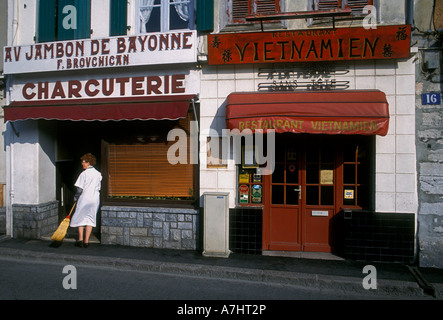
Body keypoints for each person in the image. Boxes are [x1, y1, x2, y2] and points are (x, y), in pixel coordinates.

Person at [70, 153, 102, 248]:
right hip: (94, 199)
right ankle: (86, 242)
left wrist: (75, 198)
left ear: (88, 163)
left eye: (83, 162)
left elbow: (79, 189)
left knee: (80, 217)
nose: (82, 164)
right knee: (90, 219)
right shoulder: (98, 174)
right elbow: (98, 187)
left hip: (84, 198)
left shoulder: (84, 174)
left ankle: (80, 240)